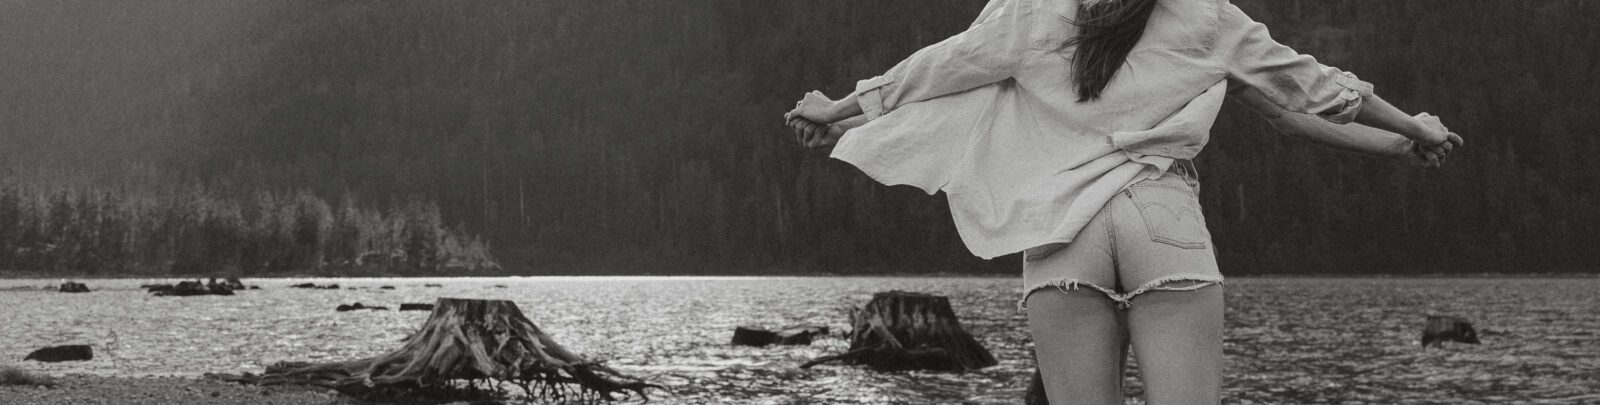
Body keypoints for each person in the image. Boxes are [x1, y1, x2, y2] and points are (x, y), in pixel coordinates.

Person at [781, 0, 1463, 403]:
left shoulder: (1035, 8)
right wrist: (1410, 129)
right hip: (1157, 217)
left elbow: (936, 69)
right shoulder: (1206, 15)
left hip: (1059, 234)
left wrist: (839, 109)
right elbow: (1308, 93)